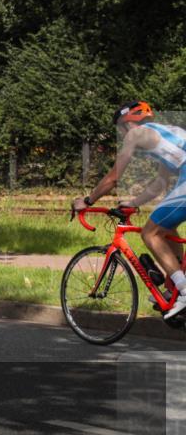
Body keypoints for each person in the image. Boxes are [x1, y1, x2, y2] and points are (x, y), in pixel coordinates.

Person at [71, 101, 186, 320]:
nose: (121, 135)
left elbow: (114, 178)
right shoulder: (164, 134)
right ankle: (176, 287)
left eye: (119, 129)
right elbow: (160, 182)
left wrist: (88, 200)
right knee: (165, 228)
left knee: (150, 233)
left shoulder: (135, 134)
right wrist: (134, 202)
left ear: (126, 123)